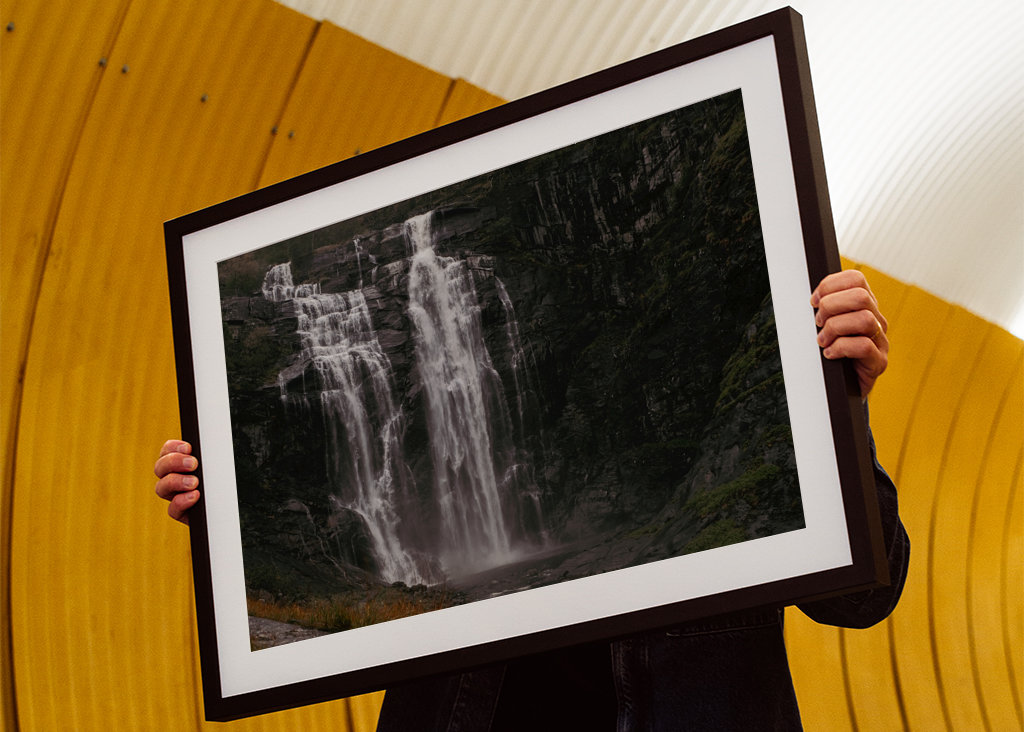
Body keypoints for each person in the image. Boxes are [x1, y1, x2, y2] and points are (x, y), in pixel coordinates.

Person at [155, 269, 909, 731]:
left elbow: (864, 597)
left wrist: (838, 406)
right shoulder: (415, 393)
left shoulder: (744, 371)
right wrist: (232, 506)